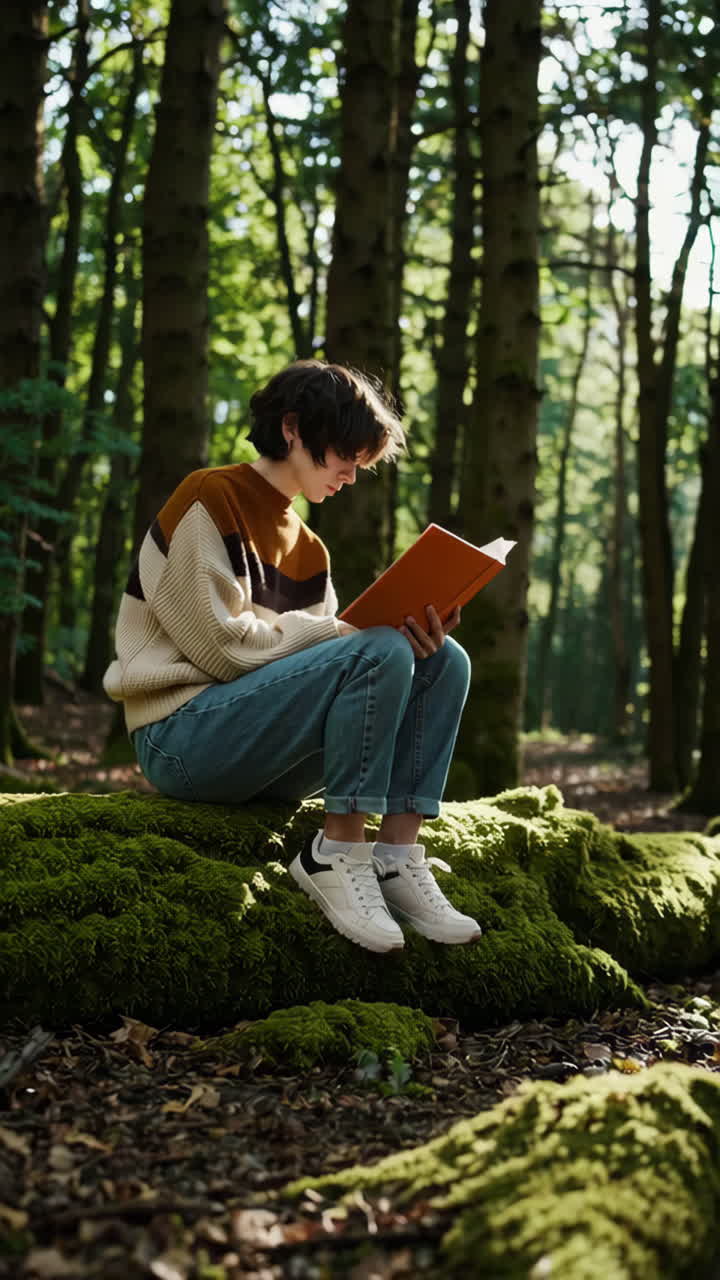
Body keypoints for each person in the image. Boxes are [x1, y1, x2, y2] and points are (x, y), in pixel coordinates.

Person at [104, 359, 481, 953]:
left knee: (445, 659)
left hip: (263, 748)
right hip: (179, 737)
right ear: (293, 429)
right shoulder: (210, 496)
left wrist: (406, 642)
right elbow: (220, 648)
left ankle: (396, 855)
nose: (352, 476)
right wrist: (349, 633)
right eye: (345, 457)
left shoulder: (311, 549)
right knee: (376, 646)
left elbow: (328, 666)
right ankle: (337, 852)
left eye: (361, 464)